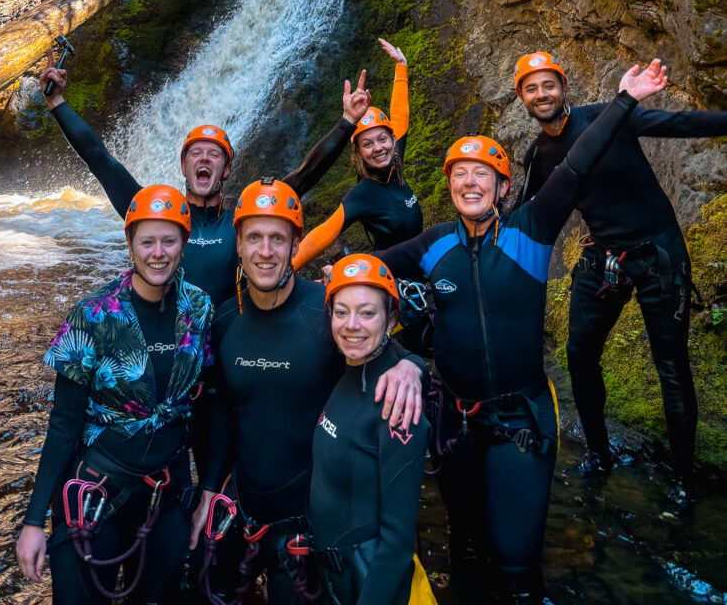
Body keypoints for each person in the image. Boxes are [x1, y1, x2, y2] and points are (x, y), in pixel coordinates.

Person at [379, 61, 667, 604]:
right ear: (449, 185)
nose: (469, 181)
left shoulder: (531, 229)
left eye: (482, 172)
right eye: (459, 173)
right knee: (465, 552)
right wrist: (397, 354)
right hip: (455, 422)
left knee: (515, 566)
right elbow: (365, 279)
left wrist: (625, 100)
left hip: (521, 419)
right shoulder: (432, 245)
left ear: (503, 185)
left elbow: (579, 164)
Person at [189, 179, 425, 604]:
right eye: (254, 238)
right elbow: (225, 409)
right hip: (241, 507)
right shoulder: (224, 320)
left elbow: (383, 348)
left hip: (307, 528)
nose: (265, 251)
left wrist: (413, 367)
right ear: (237, 245)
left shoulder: (327, 311)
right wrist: (209, 486)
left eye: (278, 238)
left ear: (296, 242)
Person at [513, 51, 727, 502]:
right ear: (522, 98)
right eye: (531, 88)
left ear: (563, 87)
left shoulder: (609, 117)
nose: (541, 94)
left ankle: (683, 482)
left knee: (671, 366)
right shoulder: (539, 156)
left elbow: (680, 125)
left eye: (548, 84)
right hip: (603, 259)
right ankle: (597, 455)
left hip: (658, 254)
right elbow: (523, 219)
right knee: (578, 353)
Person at [15, 184, 212, 603]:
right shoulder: (92, 315)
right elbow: (64, 424)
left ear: (184, 243)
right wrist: (34, 522)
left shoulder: (200, 310)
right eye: (147, 241)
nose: (158, 252)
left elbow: (206, 408)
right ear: (130, 243)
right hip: (96, 490)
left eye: (169, 240)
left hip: (167, 491)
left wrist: (210, 489)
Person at [39, 59, 372, 306]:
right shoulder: (155, 217)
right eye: (195, 154)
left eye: (214, 155)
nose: (203, 159)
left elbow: (303, 176)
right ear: (183, 167)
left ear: (226, 170)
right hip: (172, 349)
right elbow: (101, 161)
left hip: (227, 347)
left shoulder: (242, 222)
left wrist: (347, 122)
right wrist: (57, 103)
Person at [310, 253, 435, 605]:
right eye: (341, 311)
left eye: (367, 313)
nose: (352, 325)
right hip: (333, 574)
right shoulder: (348, 365)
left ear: (391, 317)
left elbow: (396, 542)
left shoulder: (398, 400)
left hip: (370, 583)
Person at [294, 40, 421, 271]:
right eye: (368, 144)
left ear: (393, 141)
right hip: (392, 284)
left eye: (383, 139)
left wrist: (401, 67)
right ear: (359, 152)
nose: (378, 148)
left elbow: (400, 115)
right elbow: (324, 233)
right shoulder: (363, 193)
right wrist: (286, 269)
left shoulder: (395, 159)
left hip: (421, 273)